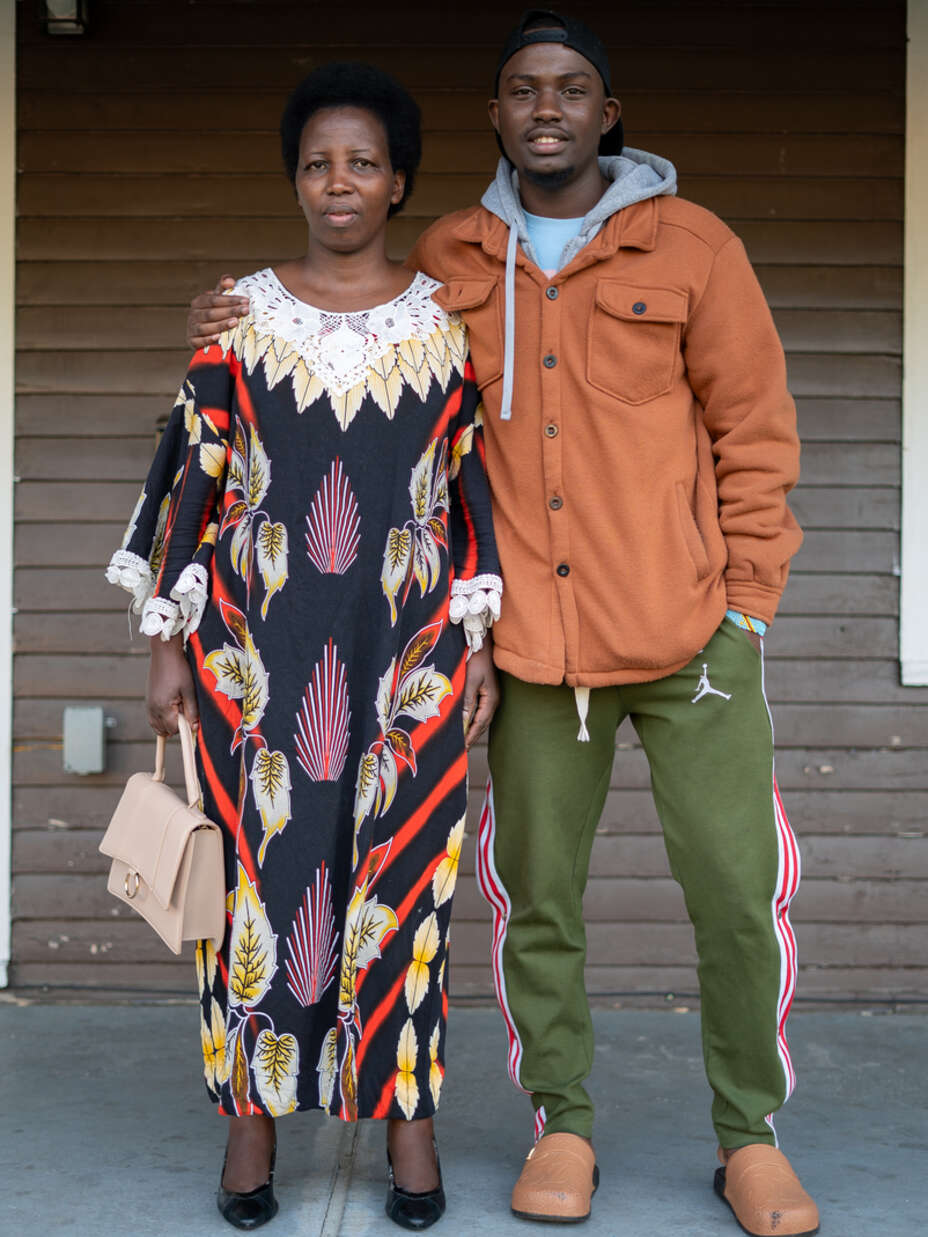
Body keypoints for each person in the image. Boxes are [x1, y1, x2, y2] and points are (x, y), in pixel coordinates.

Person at [185, 12, 820, 1237]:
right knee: (537, 900)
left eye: (571, 90)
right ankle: (563, 1124)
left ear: (607, 110)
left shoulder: (691, 246)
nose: (547, 108)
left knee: (740, 895)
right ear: (494, 116)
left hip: (691, 636)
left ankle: (749, 1136)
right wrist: (231, 322)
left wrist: (745, 605)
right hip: (530, 648)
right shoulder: (447, 259)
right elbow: (354, 347)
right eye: (523, 90)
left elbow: (756, 431)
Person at [109, 62, 502, 1232]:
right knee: (256, 886)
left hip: (412, 653)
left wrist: (478, 637)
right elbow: (194, 478)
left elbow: (469, 490)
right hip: (251, 654)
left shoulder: (445, 326)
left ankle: (407, 1123)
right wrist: (167, 639)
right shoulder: (241, 315)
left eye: (364, 163)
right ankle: (251, 1119)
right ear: (297, 180)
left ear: (399, 184)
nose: (340, 182)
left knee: (403, 886)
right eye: (318, 163)